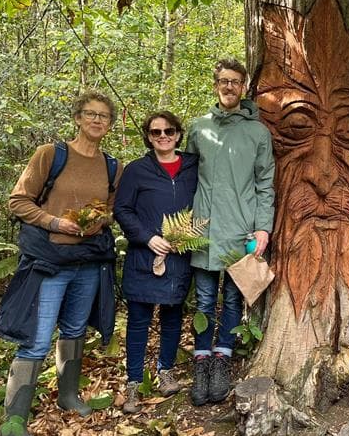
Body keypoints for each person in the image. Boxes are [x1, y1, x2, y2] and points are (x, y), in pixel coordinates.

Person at [0, 91, 122, 436]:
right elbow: (18, 201)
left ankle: (68, 395)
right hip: (50, 261)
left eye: (104, 116)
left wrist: (99, 220)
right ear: (78, 118)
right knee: (35, 339)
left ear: (110, 124)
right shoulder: (51, 155)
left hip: (87, 261)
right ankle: (12, 426)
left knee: (75, 330)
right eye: (90, 114)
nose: (97, 120)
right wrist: (56, 221)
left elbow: (111, 209)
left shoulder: (112, 166)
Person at [185, 58, 275, 406]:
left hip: (242, 229)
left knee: (234, 298)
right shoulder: (198, 129)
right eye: (223, 80)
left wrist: (263, 227)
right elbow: (185, 177)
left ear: (244, 87)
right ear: (215, 85)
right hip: (204, 228)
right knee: (205, 299)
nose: (228, 87)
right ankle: (202, 360)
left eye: (235, 81)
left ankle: (223, 358)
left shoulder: (257, 132)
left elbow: (266, 183)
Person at [114, 111, 198, 413]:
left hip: (179, 256)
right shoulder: (137, 170)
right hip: (143, 256)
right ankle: (134, 382)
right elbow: (122, 210)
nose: (163, 136)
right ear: (148, 137)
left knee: (172, 316)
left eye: (169, 131)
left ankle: (166, 372)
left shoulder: (192, 166)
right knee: (139, 320)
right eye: (155, 132)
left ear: (178, 133)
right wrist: (148, 237)